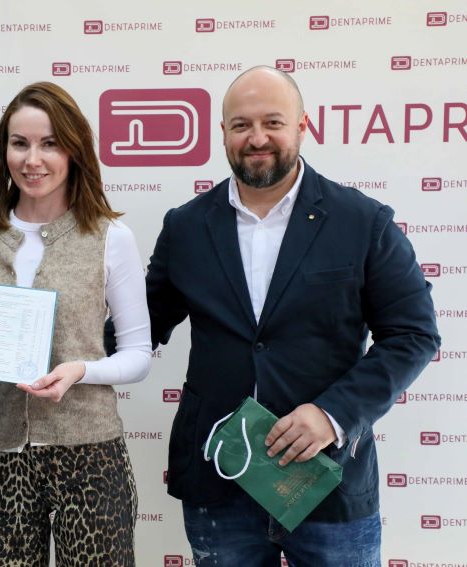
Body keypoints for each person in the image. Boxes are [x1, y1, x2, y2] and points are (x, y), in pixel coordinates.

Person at [146, 66, 440, 565]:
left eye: (273, 122)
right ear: (223, 132)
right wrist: (47, 346)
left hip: (328, 482)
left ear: (303, 126)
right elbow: (138, 328)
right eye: (241, 125)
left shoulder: (363, 222)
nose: (257, 138)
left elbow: (413, 334)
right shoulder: (186, 227)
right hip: (221, 483)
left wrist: (333, 414)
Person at [0, 81, 152, 566]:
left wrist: (81, 370)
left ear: (74, 151)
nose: (33, 160)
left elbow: (138, 355)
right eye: (20, 143)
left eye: (50, 144)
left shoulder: (111, 237)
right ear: (3, 152)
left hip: (90, 453)